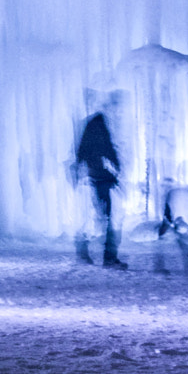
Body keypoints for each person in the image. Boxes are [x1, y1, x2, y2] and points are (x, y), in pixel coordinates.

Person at [74, 110, 127, 269]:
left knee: (97, 219)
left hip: (93, 179)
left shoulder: (87, 137)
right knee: (111, 219)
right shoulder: (101, 132)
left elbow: (81, 155)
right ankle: (109, 257)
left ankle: (83, 253)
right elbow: (110, 151)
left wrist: (78, 173)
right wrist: (117, 168)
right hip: (104, 180)